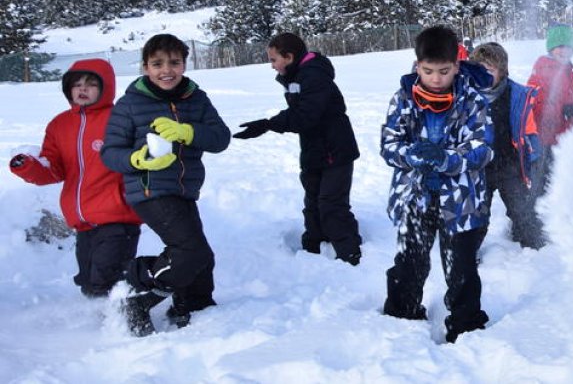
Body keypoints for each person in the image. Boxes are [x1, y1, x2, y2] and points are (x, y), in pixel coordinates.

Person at [102, 34, 231, 336]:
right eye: (157, 63)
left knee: (201, 256)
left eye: (174, 62)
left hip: (184, 189)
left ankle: (194, 307)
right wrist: (138, 160)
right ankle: (137, 284)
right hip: (149, 190)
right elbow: (110, 152)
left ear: (185, 64)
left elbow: (220, 138)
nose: (166, 70)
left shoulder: (196, 99)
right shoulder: (131, 104)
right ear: (145, 67)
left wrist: (187, 131)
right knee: (191, 252)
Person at [380, 25, 493, 343]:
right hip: (415, 196)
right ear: (417, 66)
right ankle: (402, 316)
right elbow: (389, 144)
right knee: (409, 261)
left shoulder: (472, 100)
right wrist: (413, 156)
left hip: (461, 201)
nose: (436, 78)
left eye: (444, 71)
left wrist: (447, 160)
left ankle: (466, 324)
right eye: (428, 71)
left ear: (457, 65)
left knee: (461, 267)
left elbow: (482, 148)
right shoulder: (403, 97)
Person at [9, 59, 141, 298]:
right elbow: (53, 169)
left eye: (91, 84)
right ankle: (103, 322)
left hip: (118, 216)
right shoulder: (60, 124)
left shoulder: (119, 118)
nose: (82, 89)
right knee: (88, 282)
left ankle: (129, 322)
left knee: (108, 277)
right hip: (82, 221)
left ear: (106, 87)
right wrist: (28, 167)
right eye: (76, 84)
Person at [231, 32, 362, 265]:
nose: (271, 66)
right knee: (312, 200)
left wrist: (269, 124)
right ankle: (312, 248)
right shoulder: (296, 76)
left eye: (273, 60)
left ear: (289, 57)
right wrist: (270, 124)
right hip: (314, 149)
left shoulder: (314, 76)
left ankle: (349, 253)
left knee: (331, 204)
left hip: (335, 149)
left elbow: (306, 115)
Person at [470, 42, 545, 249]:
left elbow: (528, 129)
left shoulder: (516, 95)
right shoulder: (465, 96)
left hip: (508, 164)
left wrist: (535, 155)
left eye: (490, 69)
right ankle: (467, 252)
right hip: (478, 167)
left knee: (521, 209)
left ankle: (532, 244)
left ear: (502, 72)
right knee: (476, 213)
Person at [526, 23, 573, 191]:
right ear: (551, 49)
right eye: (559, 47)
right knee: (541, 180)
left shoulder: (572, 76)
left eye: (568, 47)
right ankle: (532, 213)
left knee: (560, 178)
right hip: (543, 138)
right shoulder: (543, 70)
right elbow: (535, 101)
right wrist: (553, 115)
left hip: (564, 137)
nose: (564, 51)